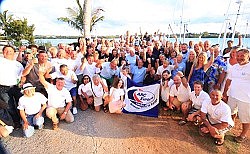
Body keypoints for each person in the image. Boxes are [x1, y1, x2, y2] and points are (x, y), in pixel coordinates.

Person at [223, 48, 250, 143]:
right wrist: (225, 93)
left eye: (242, 56)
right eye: (238, 56)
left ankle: (243, 135)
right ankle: (230, 126)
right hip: (233, 95)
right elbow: (228, 80)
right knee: (230, 112)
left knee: (245, 118)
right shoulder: (234, 67)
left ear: (248, 56)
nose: (239, 58)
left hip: (246, 99)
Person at [0, 45, 24, 128]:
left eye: (10, 51)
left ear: (14, 53)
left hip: (16, 87)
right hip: (3, 87)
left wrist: (22, 82)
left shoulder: (18, 64)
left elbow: (22, 76)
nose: (8, 52)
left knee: (20, 103)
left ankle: (23, 119)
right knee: (9, 106)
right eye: (6, 50)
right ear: (3, 52)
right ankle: (16, 122)